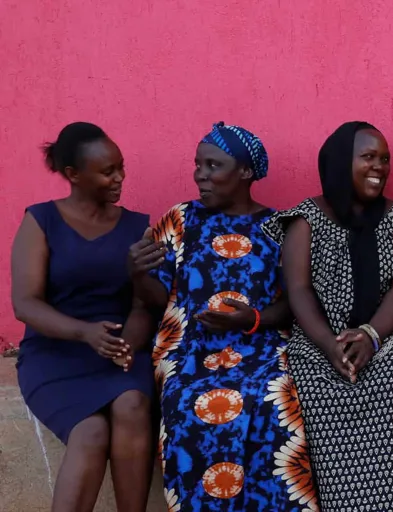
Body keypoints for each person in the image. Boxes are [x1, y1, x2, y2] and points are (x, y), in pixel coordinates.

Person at [128, 122, 317, 511]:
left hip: (261, 344)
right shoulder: (180, 219)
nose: (201, 174)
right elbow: (156, 297)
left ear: (245, 172)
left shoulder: (278, 228)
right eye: (198, 164)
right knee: (185, 399)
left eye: (213, 165)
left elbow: (292, 301)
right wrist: (136, 275)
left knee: (275, 397)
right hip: (188, 347)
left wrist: (251, 320)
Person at [262, 122, 393, 510]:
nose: (379, 167)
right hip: (319, 340)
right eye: (368, 157)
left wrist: (370, 335)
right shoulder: (305, 219)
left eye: (384, 159)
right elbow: (298, 289)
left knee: (389, 385)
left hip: (387, 337)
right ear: (338, 162)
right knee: (318, 392)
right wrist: (329, 345)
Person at [11, 122, 154, 512]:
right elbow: (25, 303)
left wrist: (129, 345)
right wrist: (85, 333)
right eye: (108, 171)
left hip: (120, 349)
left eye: (121, 167)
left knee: (133, 406)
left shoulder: (139, 227)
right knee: (90, 431)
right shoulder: (41, 221)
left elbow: (144, 305)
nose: (119, 177)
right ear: (73, 175)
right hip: (56, 352)